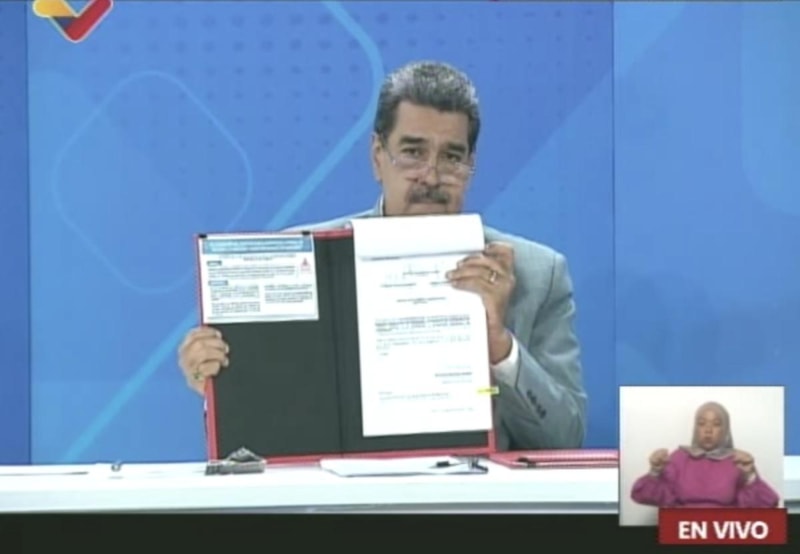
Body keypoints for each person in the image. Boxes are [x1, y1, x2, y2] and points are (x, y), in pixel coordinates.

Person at [178, 60, 587, 450]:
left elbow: (565, 438)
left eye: (451, 157)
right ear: (378, 156)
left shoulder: (536, 274)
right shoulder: (299, 263)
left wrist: (500, 347)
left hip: (479, 497)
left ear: (470, 166)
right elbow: (258, 439)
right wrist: (221, 386)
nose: (431, 176)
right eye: (413, 152)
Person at [630, 401, 780, 508]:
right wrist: (655, 471)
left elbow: (767, 503)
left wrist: (750, 475)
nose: (708, 430)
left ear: (725, 429)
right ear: (695, 427)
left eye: (716, 424)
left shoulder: (738, 461)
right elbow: (644, 496)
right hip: (683, 532)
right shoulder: (679, 457)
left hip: (724, 533)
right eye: (702, 423)